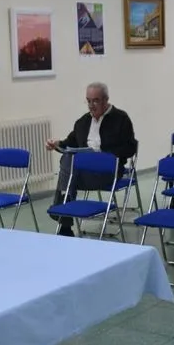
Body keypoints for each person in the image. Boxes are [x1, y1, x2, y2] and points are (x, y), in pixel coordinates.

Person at [45, 82, 137, 236]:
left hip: (109, 173)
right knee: (68, 159)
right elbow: (69, 144)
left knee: (67, 175)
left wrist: (103, 156)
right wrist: (56, 144)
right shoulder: (83, 122)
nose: (91, 105)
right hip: (84, 174)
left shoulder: (121, 119)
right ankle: (65, 222)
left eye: (95, 101)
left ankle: (63, 217)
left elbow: (130, 148)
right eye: (88, 101)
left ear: (106, 100)